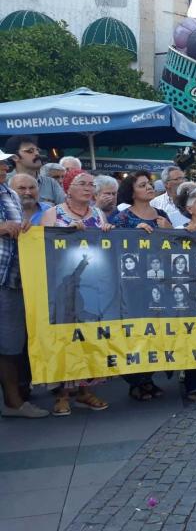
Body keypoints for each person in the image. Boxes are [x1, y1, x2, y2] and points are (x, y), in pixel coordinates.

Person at [39, 170, 112, 415]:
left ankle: (85, 390)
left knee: (89, 338)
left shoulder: (98, 213)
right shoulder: (54, 213)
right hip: (63, 288)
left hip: (92, 285)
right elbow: (42, 246)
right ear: (68, 188)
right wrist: (65, 232)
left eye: (92, 184)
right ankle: (62, 393)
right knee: (65, 338)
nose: (88, 188)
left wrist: (108, 232)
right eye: (82, 184)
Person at [0, 160, 49, 418]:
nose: (4, 167)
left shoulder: (9, 194)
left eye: (5, 163)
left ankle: (13, 401)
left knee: (10, 344)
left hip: (11, 277)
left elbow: (18, 228)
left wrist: (25, 228)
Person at [4, 136, 65, 205]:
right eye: (30, 151)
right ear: (14, 157)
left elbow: (64, 211)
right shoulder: (4, 183)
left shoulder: (51, 183)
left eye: (37, 150)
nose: (37, 154)